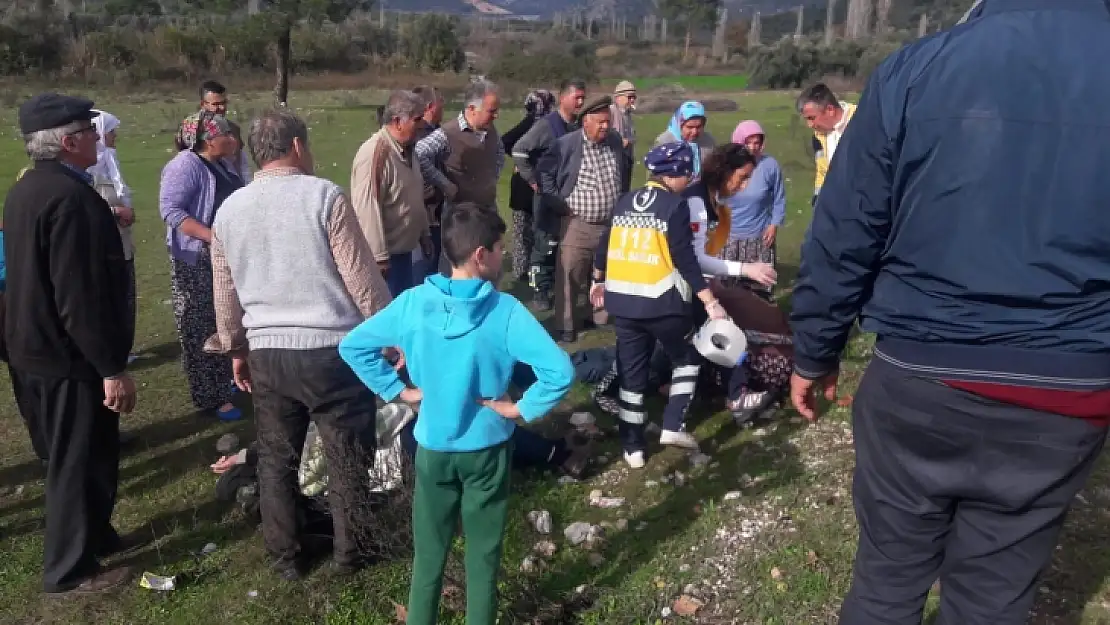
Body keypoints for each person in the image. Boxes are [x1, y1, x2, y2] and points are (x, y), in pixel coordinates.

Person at [790, 1, 1110, 623]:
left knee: (887, 579)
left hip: (923, 368)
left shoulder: (921, 67)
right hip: (1069, 384)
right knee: (994, 598)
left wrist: (815, 350)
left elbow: (847, 225)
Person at [338, 205, 574, 625]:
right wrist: (522, 408)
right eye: (501, 249)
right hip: (487, 450)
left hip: (432, 447)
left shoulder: (412, 303)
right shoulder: (506, 312)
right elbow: (560, 371)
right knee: (482, 560)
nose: (504, 257)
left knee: (428, 559)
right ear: (482, 255)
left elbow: (353, 346)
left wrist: (401, 392)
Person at [206, 108, 391, 580]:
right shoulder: (324, 197)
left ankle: (286, 556)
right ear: (296, 147)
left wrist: (235, 350)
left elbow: (224, 291)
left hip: (268, 352)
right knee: (346, 454)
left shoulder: (229, 210)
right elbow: (361, 278)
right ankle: (354, 552)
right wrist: (390, 334)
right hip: (331, 350)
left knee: (276, 459)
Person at [4, 93, 139, 594]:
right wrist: (110, 367)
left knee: (94, 453)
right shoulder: (72, 200)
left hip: (34, 349)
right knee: (74, 458)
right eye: (88, 131)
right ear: (68, 142)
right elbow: (78, 296)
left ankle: (96, 536)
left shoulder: (28, 190)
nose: (97, 139)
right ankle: (68, 569)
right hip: (67, 355)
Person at [589, 143, 728, 468]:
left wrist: (597, 279)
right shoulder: (673, 207)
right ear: (674, 175)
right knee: (687, 359)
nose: (689, 179)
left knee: (632, 377)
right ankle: (673, 425)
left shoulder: (624, 202)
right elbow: (684, 259)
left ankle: (632, 448)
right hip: (662, 303)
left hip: (622, 304)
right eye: (687, 173)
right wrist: (710, 301)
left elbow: (604, 244)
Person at [684, 143, 783, 421]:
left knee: (708, 336)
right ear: (724, 172)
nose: (744, 185)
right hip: (686, 284)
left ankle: (718, 392)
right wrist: (746, 269)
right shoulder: (697, 203)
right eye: (742, 178)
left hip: (698, 282)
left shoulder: (710, 198)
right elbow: (695, 258)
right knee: (722, 332)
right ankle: (736, 396)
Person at [159, 111, 243, 421]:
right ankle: (210, 396)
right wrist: (212, 238)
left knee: (226, 318)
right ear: (209, 139)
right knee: (200, 324)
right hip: (196, 259)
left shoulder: (222, 164)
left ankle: (226, 381)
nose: (234, 140)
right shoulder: (185, 166)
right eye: (227, 135)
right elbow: (170, 210)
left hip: (225, 255)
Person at [551, 96, 627, 344]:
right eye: (602, 122)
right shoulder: (567, 144)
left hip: (610, 223)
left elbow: (624, 171)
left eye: (609, 122)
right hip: (578, 224)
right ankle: (566, 326)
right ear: (586, 121)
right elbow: (545, 175)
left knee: (607, 273)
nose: (606, 127)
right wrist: (560, 204)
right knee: (570, 273)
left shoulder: (614, 141)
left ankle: (600, 317)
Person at [415, 79, 505, 276]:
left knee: (490, 265)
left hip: (487, 209)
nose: (496, 115)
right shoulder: (448, 133)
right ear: (472, 109)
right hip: (460, 214)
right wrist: (444, 183)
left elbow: (499, 153)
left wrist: (491, 178)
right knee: (457, 268)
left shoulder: (491, 132)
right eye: (491, 111)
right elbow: (420, 153)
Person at [512, 78, 586, 311]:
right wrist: (533, 180)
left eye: (583, 98)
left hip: (571, 196)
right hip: (547, 197)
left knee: (568, 243)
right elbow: (519, 150)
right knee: (545, 244)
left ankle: (563, 286)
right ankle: (540, 291)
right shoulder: (546, 126)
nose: (581, 102)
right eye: (577, 97)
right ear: (563, 97)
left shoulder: (579, 125)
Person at [350, 89, 432, 297]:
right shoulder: (375, 154)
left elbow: (413, 194)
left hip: (406, 252)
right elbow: (367, 208)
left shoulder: (408, 149)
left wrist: (424, 234)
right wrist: (379, 256)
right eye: (417, 119)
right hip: (387, 260)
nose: (423, 124)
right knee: (390, 315)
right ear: (397, 122)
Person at [88, 110, 138, 364]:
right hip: (104, 248)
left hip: (123, 243)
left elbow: (122, 194)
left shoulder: (110, 161)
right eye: (110, 131)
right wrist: (116, 211)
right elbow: (86, 209)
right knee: (109, 297)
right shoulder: (88, 171)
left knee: (126, 296)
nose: (114, 136)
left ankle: (124, 347)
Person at [724, 121, 786, 298]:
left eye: (757, 142)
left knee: (759, 291)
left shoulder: (769, 165)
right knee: (728, 291)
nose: (753, 147)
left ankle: (761, 322)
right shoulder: (725, 166)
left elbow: (779, 198)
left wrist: (774, 224)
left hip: (759, 237)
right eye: (747, 142)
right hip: (729, 239)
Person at [502, 89, 556, 282]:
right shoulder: (541, 125)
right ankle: (527, 269)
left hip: (524, 182)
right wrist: (523, 161)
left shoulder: (533, 124)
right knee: (529, 229)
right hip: (530, 184)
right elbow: (506, 142)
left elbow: (506, 142)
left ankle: (522, 269)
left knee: (524, 231)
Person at [795, 83, 855, 207]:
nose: (809, 125)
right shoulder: (818, 137)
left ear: (830, 110)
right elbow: (822, 171)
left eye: (811, 118)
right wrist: (818, 197)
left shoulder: (862, 120)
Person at [412, 85, 447, 276]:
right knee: (426, 261)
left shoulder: (436, 131)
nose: (443, 107)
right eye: (441, 102)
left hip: (437, 207)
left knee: (434, 259)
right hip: (428, 208)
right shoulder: (421, 135)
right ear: (431, 106)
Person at [654, 101, 716, 176]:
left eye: (699, 127)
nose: (694, 132)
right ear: (679, 124)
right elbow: (655, 173)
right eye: (690, 127)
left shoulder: (708, 141)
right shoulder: (665, 142)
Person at [610, 80, 637, 193]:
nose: (632, 100)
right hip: (614, 161)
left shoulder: (627, 114)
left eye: (634, 97)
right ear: (618, 98)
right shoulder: (610, 112)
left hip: (626, 159)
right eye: (629, 97)